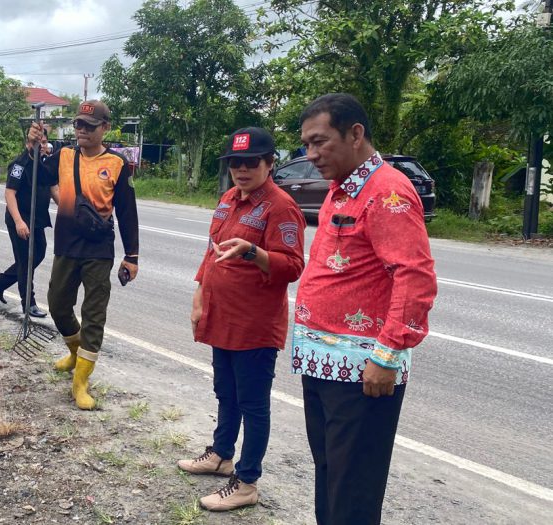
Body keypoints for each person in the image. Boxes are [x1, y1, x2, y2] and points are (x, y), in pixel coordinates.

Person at [292, 93, 437, 525]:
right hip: (324, 363)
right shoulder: (343, 189)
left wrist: (387, 355)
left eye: (320, 142)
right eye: (306, 145)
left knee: (353, 489)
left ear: (355, 134)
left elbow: (415, 277)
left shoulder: (387, 192)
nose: (311, 155)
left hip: (363, 372)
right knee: (331, 476)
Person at [176, 127, 306, 512]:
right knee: (225, 392)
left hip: (254, 325)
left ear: (270, 164)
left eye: (251, 163)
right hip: (222, 318)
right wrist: (199, 296)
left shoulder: (281, 207)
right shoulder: (229, 198)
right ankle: (220, 455)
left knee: (253, 403)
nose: (242, 170)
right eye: (236, 163)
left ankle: (247, 481)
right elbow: (210, 252)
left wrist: (253, 252)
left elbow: (293, 266)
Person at [27, 100, 139, 410]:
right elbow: (33, 173)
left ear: (105, 128)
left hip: (98, 251)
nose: (81, 131)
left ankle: (81, 382)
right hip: (67, 245)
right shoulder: (63, 156)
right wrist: (32, 145)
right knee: (58, 304)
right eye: (78, 125)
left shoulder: (117, 164)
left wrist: (132, 255)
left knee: (94, 314)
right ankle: (75, 353)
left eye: (89, 126)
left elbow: (128, 213)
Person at [0, 127, 57, 318]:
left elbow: (55, 190)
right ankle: (28, 303)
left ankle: (2, 281)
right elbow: (9, 193)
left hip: (37, 220)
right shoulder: (20, 164)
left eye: (44, 143)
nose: (42, 146)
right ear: (29, 143)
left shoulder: (45, 165)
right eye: (38, 143)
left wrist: (72, 209)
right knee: (26, 261)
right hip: (19, 220)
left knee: (38, 254)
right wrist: (19, 222)